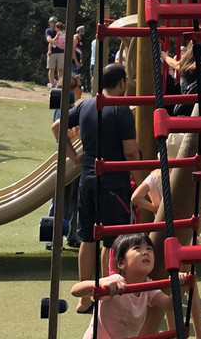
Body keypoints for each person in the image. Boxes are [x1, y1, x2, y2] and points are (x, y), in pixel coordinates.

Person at [68, 63, 140, 313]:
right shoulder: (121, 110)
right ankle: (105, 294)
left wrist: (74, 157)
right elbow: (131, 151)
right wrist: (142, 183)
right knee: (112, 241)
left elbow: (57, 128)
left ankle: (84, 298)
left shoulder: (86, 105)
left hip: (87, 179)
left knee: (88, 238)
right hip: (113, 183)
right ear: (121, 83)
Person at [70, 232, 201, 339]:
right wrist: (100, 283)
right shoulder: (115, 282)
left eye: (149, 249)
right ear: (121, 263)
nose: (145, 252)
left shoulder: (148, 286)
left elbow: (168, 305)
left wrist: (180, 285)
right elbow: (75, 291)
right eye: (137, 248)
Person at [47, 71, 85, 250]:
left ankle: (72, 234)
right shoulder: (65, 109)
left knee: (73, 198)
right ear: (70, 89)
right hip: (67, 158)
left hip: (73, 159)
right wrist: (76, 132)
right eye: (79, 86)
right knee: (60, 198)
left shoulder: (70, 107)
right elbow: (61, 132)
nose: (81, 90)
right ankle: (51, 238)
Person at [46, 16, 61, 88]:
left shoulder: (60, 31)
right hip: (52, 52)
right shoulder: (48, 30)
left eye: (53, 23)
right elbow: (49, 39)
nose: (51, 24)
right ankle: (52, 83)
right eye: (50, 23)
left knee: (60, 69)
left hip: (61, 52)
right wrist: (57, 44)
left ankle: (60, 84)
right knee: (51, 68)